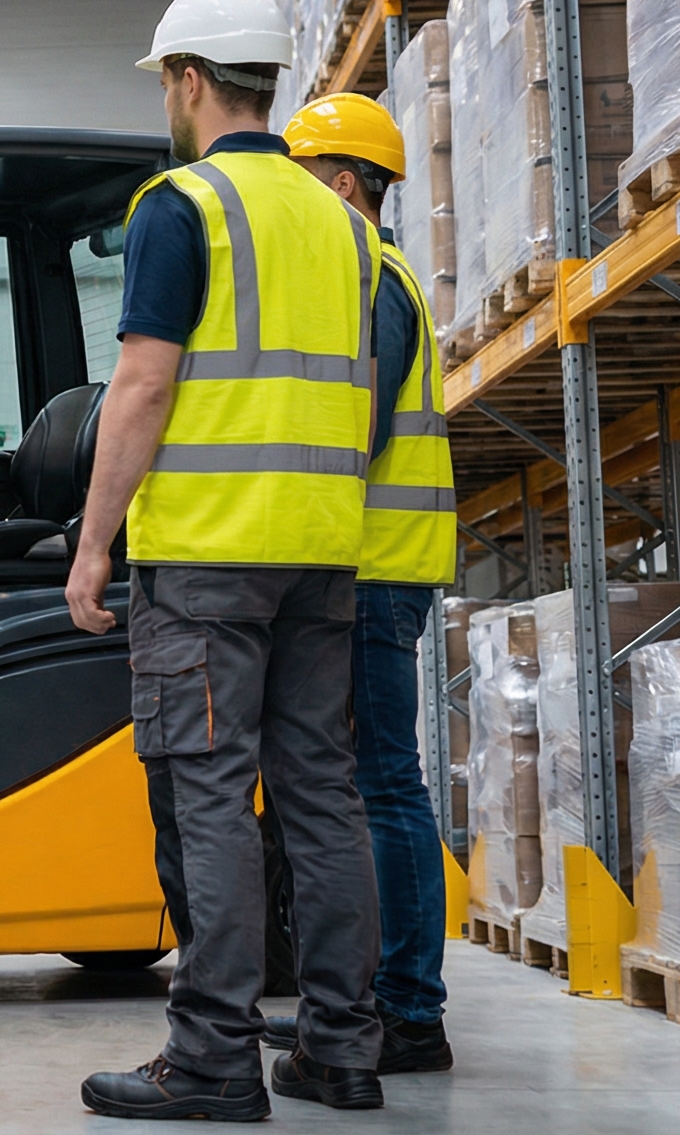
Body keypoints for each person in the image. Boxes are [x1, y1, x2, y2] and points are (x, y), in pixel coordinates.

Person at [64, 0, 385, 1121]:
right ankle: (341, 1048)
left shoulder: (182, 205)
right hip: (322, 550)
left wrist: (92, 542)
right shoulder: (343, 223)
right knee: (320, 796)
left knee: (206, 797)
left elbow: (143, 385)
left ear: (190, 80)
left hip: (206, 553)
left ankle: (211, 1058)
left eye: (166, 82)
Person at [265, 92, 457, 1074]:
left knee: (384, 783)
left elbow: (361, 426)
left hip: (375, 567)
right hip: (372, 563)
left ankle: (408, 1011)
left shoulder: (372, 279)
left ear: (345, 185)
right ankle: (369, 999)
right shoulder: (372, 274)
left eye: (302, 184)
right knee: (369, 781)